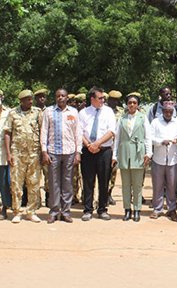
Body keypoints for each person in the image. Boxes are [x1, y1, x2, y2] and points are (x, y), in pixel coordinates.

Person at [41, 88, 82, 224]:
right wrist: (44, 151)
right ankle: (54, 212)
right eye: (58, 95)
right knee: (54, 183)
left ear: (67, 98)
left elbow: (78, 133)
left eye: (63, 96)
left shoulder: (73, 112)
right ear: (55, 97)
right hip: (53, 152)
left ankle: (66, 212)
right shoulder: (48, 112)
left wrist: (78, 152)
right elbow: (44, 131)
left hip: (69, 152)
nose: (60, 98)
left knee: (67, 183)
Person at [79, 87, 117, 221]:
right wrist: (89, 145)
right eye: (100, 98)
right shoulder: (83, 113)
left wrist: (97, 144)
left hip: (104, 151)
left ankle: (102, 209)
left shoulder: (108, 112)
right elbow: (80, 132)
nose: (103, 100)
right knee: (88, 180)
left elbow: (112, 131)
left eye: (103, 98)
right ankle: (88, 209)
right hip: (87, 150)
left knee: (104, 180)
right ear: (92, 99)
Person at [4, 90, 42, 223]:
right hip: (17, 154)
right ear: (21, 101)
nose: (30, 102)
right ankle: (17, 211)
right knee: (16, 183)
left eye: (31, 99)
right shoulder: (13, 113)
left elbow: (43, 132)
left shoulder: (38, 112)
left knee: (34, 182)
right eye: (27, 99)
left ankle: (31, 211)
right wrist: (8, 153)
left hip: (34, 153)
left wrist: (43, 152)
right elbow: (7, 133)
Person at [113, 94, 152, 222]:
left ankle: (137, 209)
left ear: (138, 105)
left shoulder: (143, 118)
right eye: (129, 102)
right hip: (124, 153)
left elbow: (147, 137)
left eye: (134, 103)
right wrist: (114, 155)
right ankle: (127, 209)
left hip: (138, 153)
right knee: (125, 184)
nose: (132, 105)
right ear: (126, 104)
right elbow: (117, 138)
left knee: (137, 184)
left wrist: (148, 153)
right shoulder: (121, 118)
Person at [148, 101, 177, 221]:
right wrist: (160, 141)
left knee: (172, 185)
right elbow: (150, 138)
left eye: (170, 111)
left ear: (173, 112)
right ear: (163, 111)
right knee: (157, 185)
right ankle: (157, 209)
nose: (168, 113)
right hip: (158, 158)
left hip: (173, 159)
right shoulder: (155, 122)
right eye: (166, 111)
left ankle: (171, 209)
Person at [106, 89, 124, 205]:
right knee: (103, 173)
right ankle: (102, 195)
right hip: (105, 145)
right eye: (112, 100)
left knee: (113, 172)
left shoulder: (121, 113)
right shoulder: (104, 111)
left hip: (116, 145)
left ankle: (109, 194)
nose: (114, 102)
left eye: (116, 100)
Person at [33, 88, 50, 206]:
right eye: (39, 97)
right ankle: (36, 199)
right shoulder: (32, 111)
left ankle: (49, 197)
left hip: (47, 147)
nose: (41, 99)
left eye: (43, 97)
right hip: (34, 147)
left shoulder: (50, 111)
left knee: (48, 173)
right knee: (34, 175)